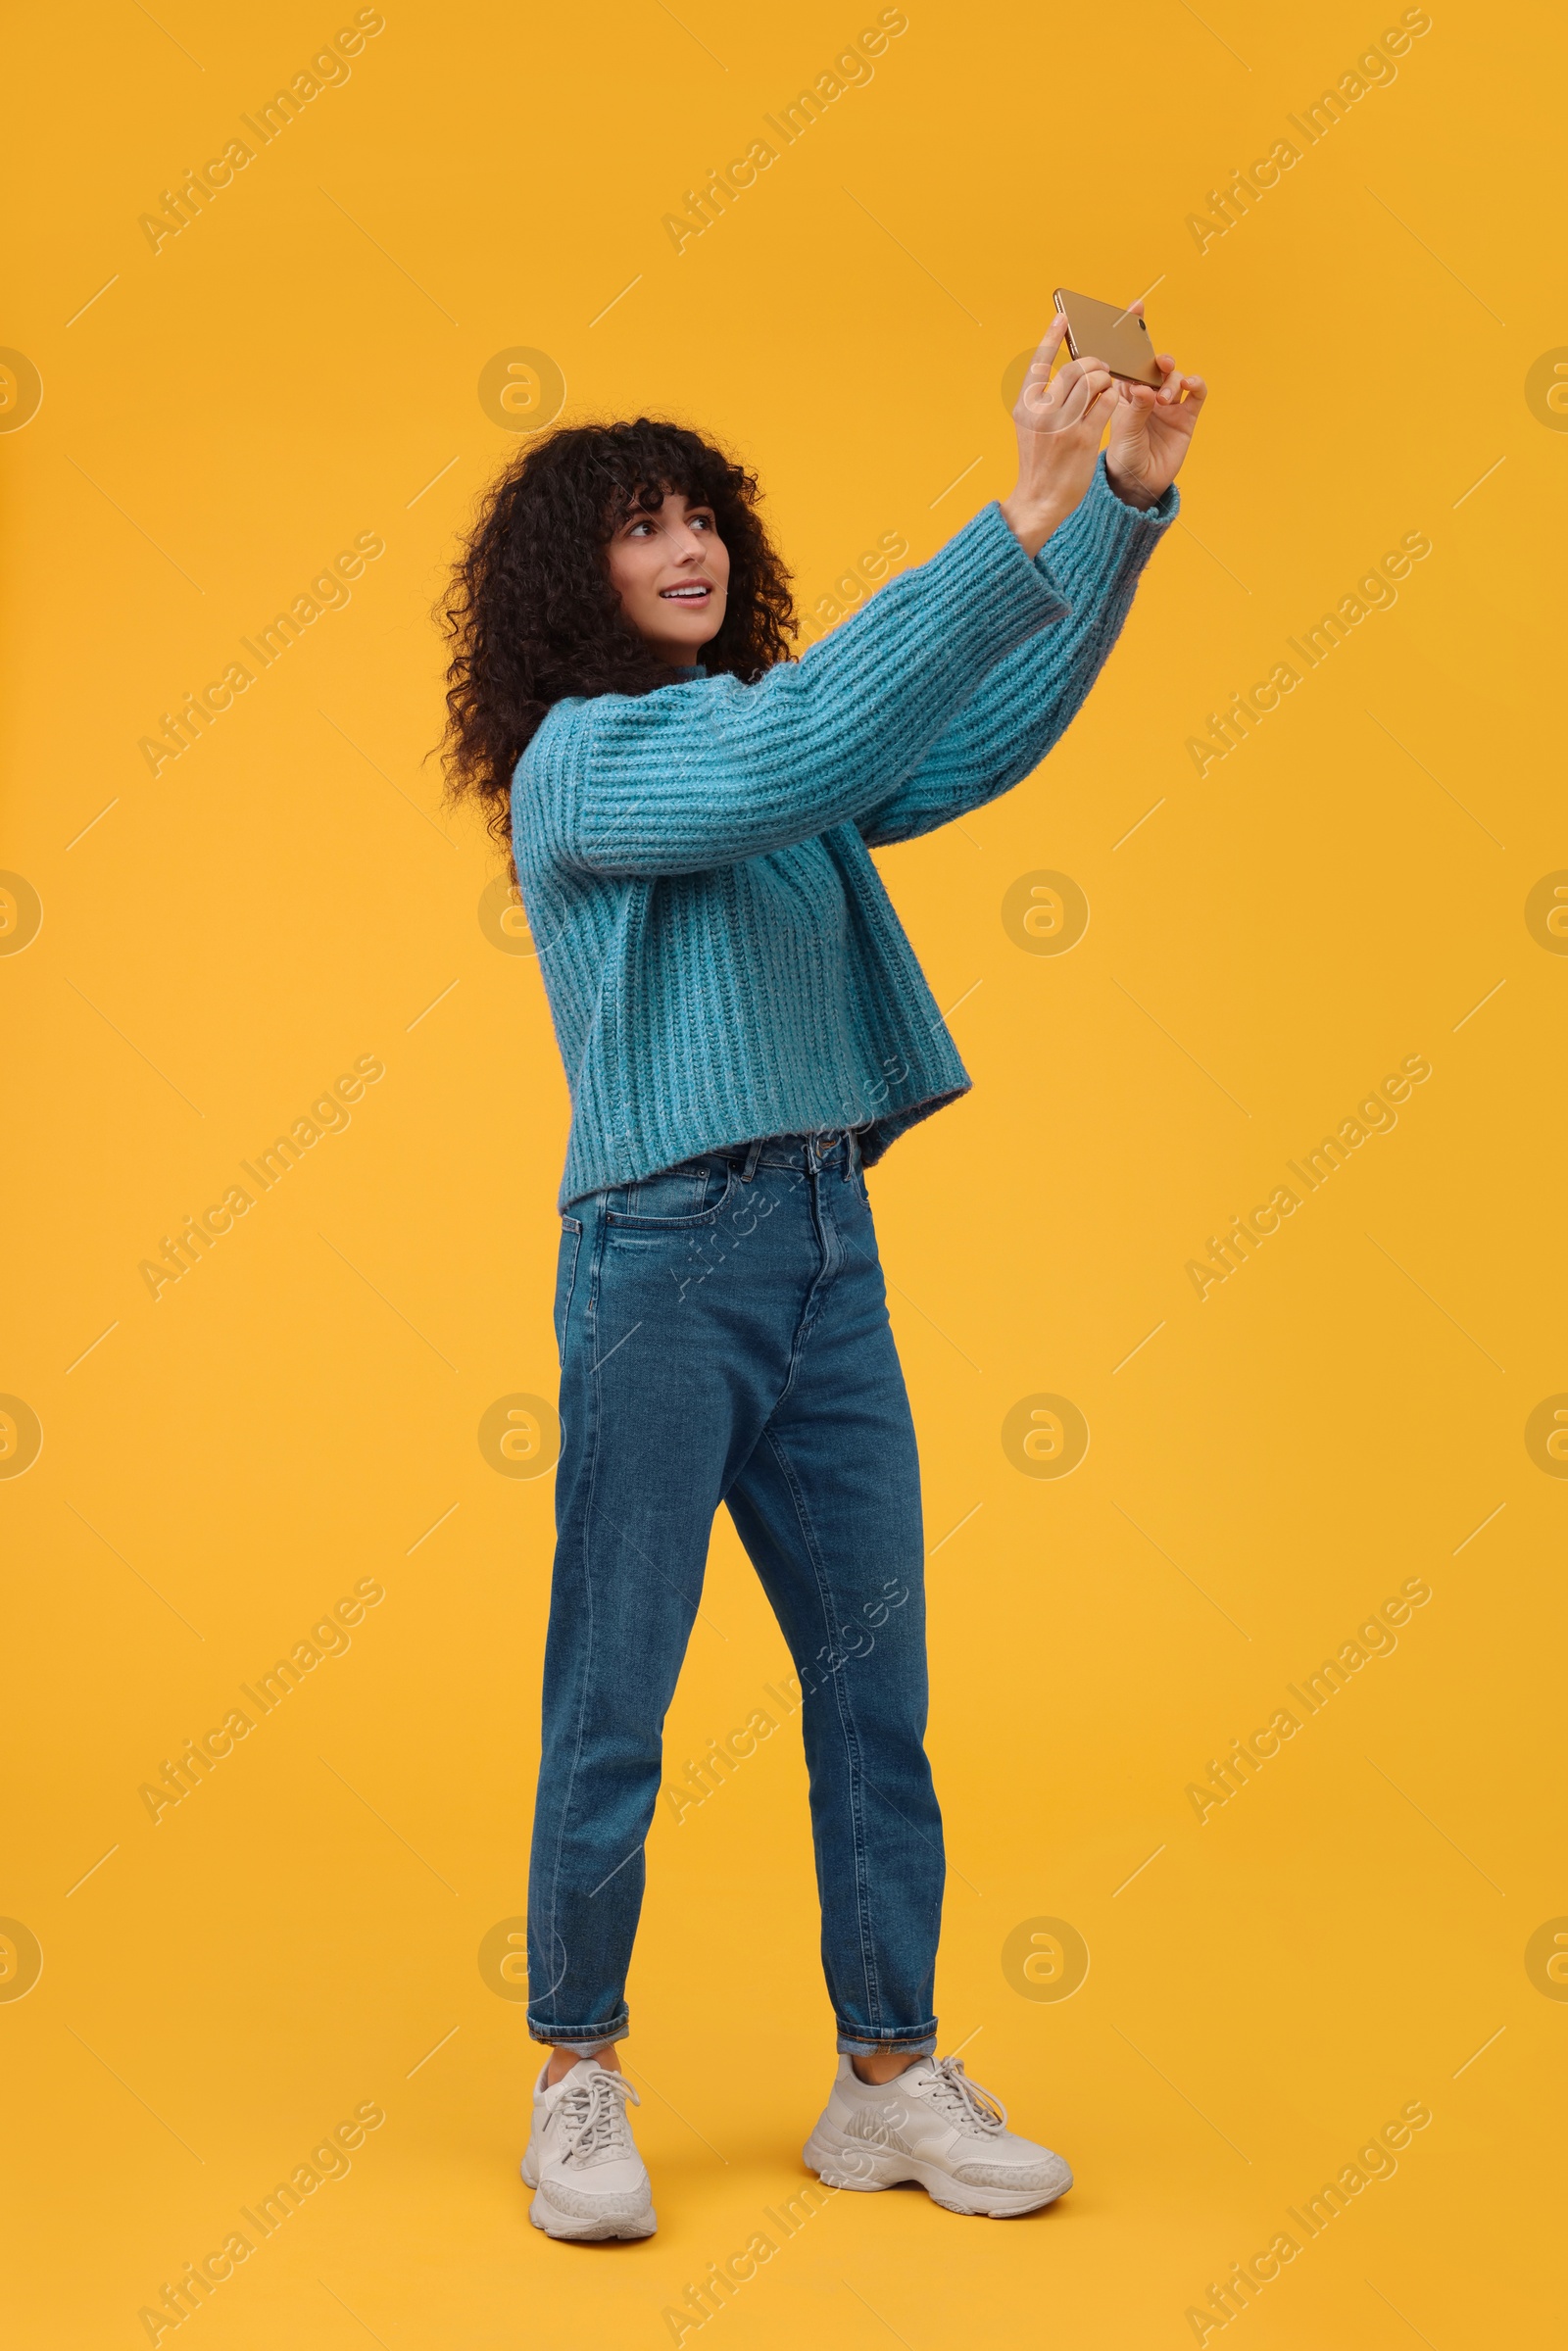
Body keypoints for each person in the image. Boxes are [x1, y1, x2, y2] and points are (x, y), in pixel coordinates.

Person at [438, 310, 1205, 2240]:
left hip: (818, 1254)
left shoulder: (769, 770)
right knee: (613, 1693)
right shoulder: (587, 769)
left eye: (703, 516)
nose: (685, 546)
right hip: (660, 1269)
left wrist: (1115, 509)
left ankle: (885, 2080)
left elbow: (956, 732)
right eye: (638, 525)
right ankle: (576, 2073)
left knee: (878, 1690)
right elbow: (796, 740)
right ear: (569, 577)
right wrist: (1009, 510)